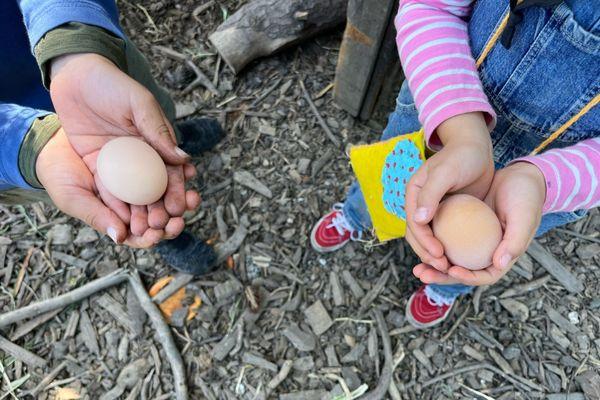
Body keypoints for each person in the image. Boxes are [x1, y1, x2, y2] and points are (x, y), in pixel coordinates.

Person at [311, 0, 599, 328]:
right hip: (443, 112)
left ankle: (445, 288)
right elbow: (429, 6)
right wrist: (462, 128)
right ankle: (355, 216)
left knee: (486, 255)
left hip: (548, 179)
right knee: (386, 186)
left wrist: (540, 180)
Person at [1, 0, 224, 274]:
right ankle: (160, 233)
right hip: (24, 150)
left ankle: (175, 141)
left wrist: (72, 42)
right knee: (93, 189)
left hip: (91, 52)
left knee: (150, 119)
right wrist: (25, 144)